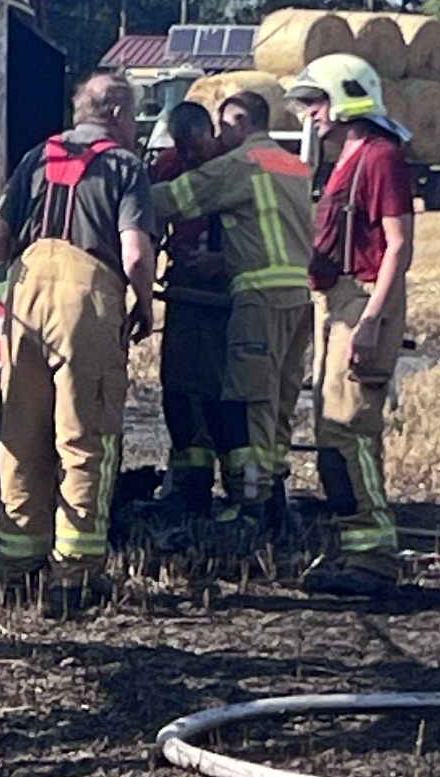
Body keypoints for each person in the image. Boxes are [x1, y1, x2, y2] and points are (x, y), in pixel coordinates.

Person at [0, 70, 156, 612]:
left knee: (22, 435)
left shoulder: (36, 157)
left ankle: (17, 570)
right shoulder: (125, 167)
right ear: (121, 113)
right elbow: (133, 254)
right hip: (88, 297)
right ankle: (72, 578)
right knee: (85, 439)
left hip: (25, 292)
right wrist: (144, 303)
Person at [149, 87, 315, 536]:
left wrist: (123, 188)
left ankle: (252, 508)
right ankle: (276, 497)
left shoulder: (241, 164)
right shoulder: (293, 164)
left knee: (252, 404)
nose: (219, 137)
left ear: (242, 121)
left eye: (224, 126)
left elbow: (174, 200)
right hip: (298, 301)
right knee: (281, 402)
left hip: (257, 298)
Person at [289, 53, 415, 595]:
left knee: (351, 430)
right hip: (337, 301)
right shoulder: (347, 158)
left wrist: (369, 320)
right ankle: (356, 550)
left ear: (345, 100)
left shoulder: (381, 157)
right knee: (332, 428)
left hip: (357, 300)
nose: (310, 113)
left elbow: (399, 244)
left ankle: (374, 558)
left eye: (316, 101)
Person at [149, 101, 244, 519]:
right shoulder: (169, 166)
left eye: (198, 147)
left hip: (229, 292)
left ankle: (245, 491)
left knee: (224, 391)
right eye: (184, 149)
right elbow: (151, 218)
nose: (192, 157)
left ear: (212, 134)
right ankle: (191, 486)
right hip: (185, 290)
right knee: (180, 387)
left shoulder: (234, 167)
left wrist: (223, 262)